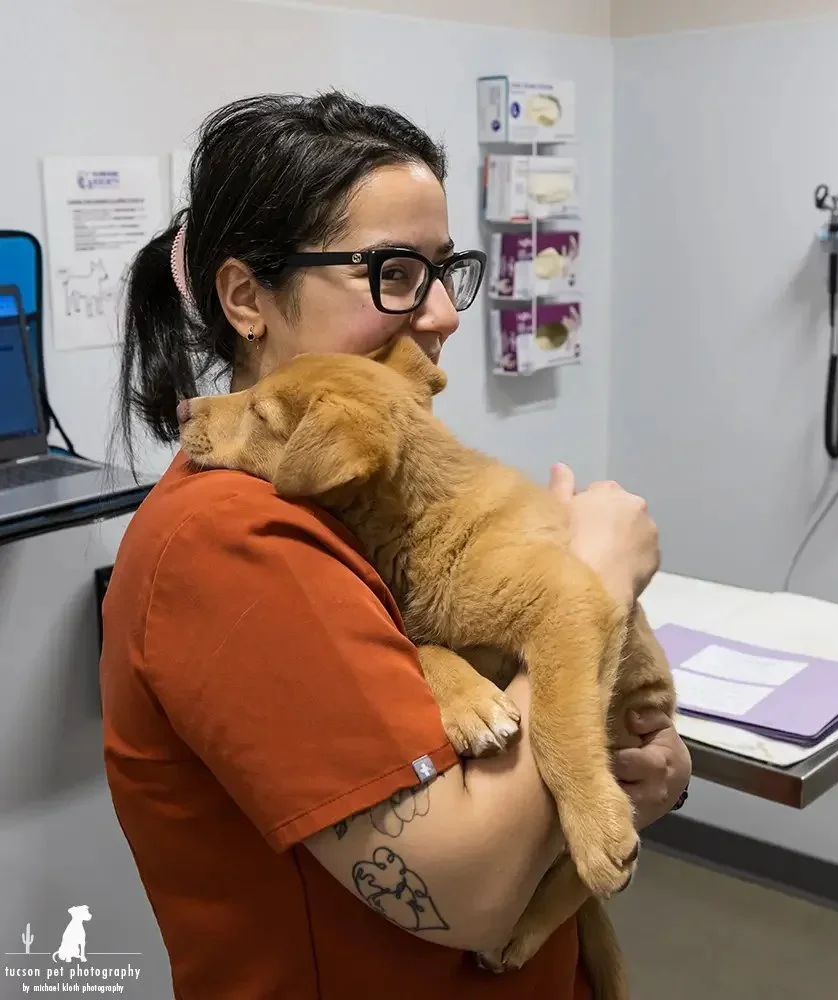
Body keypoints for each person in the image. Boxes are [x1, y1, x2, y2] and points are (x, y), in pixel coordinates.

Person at [101, 90, 692, 1000]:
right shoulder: (235, 546)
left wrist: (643, 763)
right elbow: (470, 895)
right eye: (395, 272)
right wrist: (600, 572)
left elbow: (524, 717)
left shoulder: (359, 495)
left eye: (446, 270)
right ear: (247, 296)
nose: (445, 313)